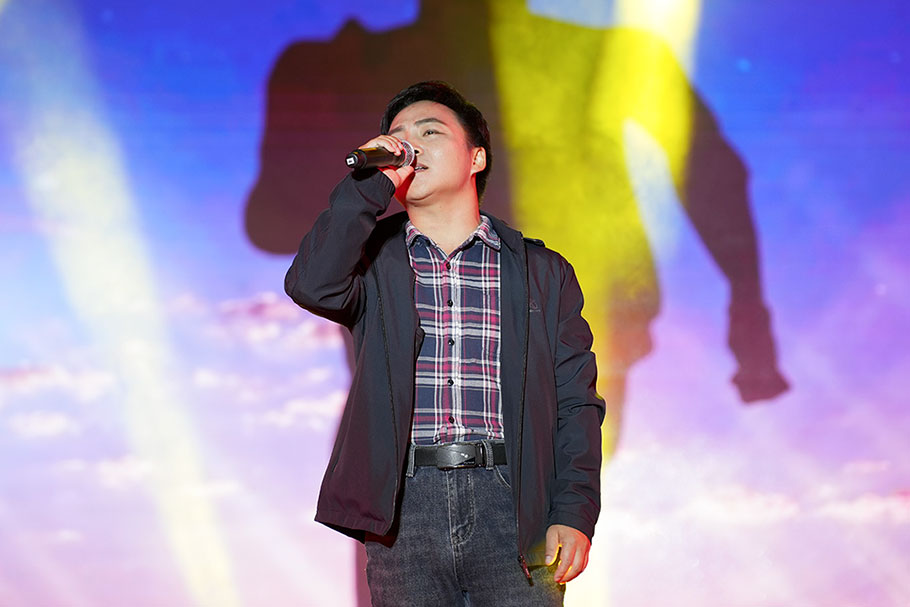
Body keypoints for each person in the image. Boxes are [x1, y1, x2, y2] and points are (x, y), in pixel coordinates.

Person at [284, 81, 604, 606]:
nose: (410, 145)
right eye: (398, 136)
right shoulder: (371, 263)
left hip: (513, 501)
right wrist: (370, 183)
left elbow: (576, 402)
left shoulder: (541, 272)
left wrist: (573, 512)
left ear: (476, 157)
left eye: (429, 132)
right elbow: (310, 284)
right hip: (406, 510)